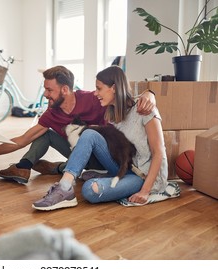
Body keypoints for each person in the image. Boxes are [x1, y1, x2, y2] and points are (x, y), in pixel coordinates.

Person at [32, 65, 180, 211]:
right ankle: (65, 187)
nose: (96, 93)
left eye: (99, 88)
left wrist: (145, 191)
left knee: (90, 190)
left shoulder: (144, 109)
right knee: (89, 133)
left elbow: (159, 152)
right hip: (123, 166)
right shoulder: (112, 115)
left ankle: (104, 178)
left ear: (114, 88)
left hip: (141, 176)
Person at [0, 65, 156, 184]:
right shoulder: (52, 114)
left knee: (88, 135)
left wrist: (150, 94)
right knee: (45, 134)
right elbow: (22, 139)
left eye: (49, 90)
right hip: (80, 156)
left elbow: (124, 98)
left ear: (64, 89)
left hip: (106, 158)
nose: (45, 94)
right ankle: (23, 167)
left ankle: (60, 168)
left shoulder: (94, 98)